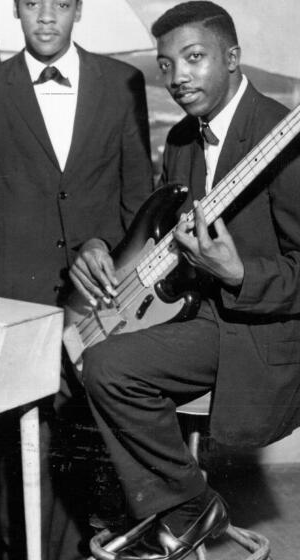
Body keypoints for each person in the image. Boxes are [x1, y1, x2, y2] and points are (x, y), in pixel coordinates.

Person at [0, 0, 154, 558]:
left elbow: (138, 199)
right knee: (16, 446)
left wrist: (112, 254)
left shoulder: (124, 83)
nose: (46, 17)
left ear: (79, 13)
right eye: (32, 4)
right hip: (16, 298)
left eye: (61, 4)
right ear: (16, 12)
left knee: (78, 443)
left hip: (101, 298)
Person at [77, 2, 300, 559]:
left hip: (257, 329)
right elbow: (163, 236)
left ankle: (181, 506)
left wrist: (240, 272)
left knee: (109, 365)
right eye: (165, 64)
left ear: (232, 58)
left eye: (193, 58)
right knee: (86, 357)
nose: (177, 77)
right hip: (195, 319)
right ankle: (174, 505)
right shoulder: (180, 140)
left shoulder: (284, 138)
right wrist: (107, 248)